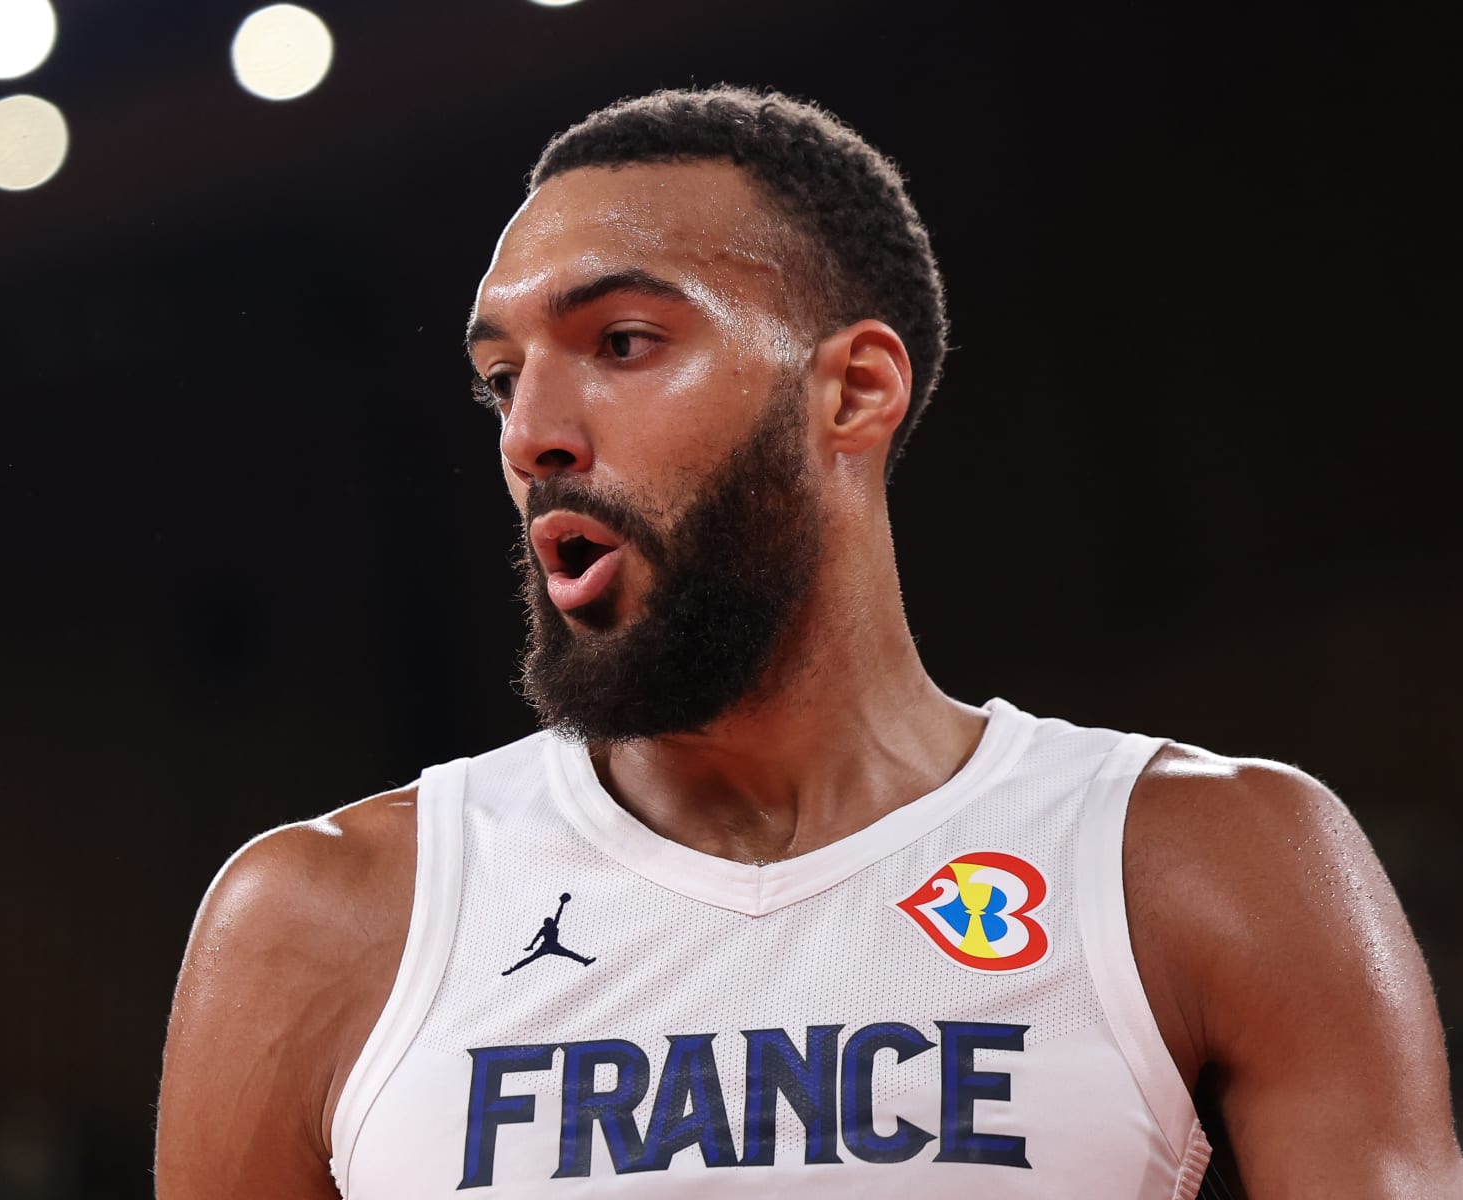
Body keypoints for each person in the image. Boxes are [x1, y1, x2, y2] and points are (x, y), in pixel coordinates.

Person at [153, 88, 1461, 1198]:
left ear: (854, 389)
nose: (529, 432)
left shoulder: (1197, 860)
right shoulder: (321, 919)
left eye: (620, 342)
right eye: (503, 376)